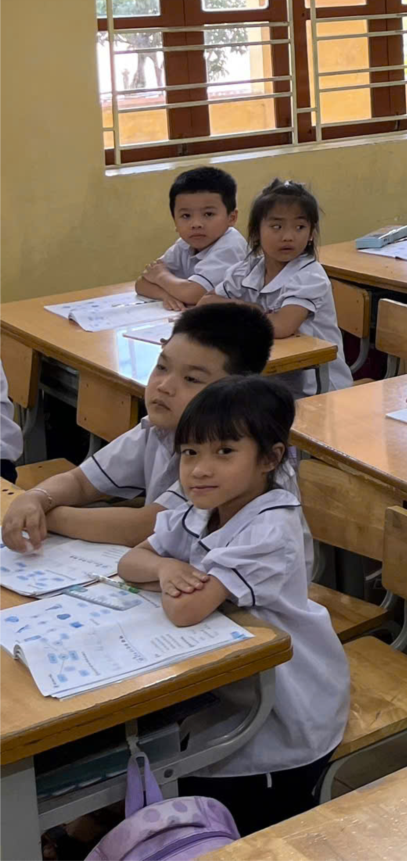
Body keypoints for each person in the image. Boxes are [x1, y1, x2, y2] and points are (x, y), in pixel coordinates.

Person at [117, 377, 348, 833]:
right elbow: (129, 562)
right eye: (190, 452)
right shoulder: (202, 508)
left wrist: (166, 574)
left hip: (286, 708)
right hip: (229, 684)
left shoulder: (269, 528)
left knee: (227, 818)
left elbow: (186, 610)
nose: (200, 469)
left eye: (225, 452)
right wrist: (166, 569)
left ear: (270, 458)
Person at [3, 303, 274, 550]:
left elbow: (142, 528)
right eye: (162, 367)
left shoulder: (231, 455)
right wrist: (35, 498)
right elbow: (81, 482)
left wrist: (44, 514)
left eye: (191, 379)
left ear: (238, 390)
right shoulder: (157, 430)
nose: (164, 386)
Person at [204, 179, 352, 396]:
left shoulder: (310, 276)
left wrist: (232, 310)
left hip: (318, 388)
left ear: (311, 234)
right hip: (270, 379)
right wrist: (248, 308)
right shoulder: (246, 269)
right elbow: (206, 304)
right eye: (276, 227)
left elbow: (282, 326)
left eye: (300, 227)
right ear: (257, 232)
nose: (288, 237)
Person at [136, 165, 248, 309]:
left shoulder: (231, 246)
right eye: (186, 216)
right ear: (175, 221)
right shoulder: (184, 244)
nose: (196, 224)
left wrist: (161, 276)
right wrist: (166, 295)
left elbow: (193, 294)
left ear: (231, 218)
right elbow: (142, 282)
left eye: (208, 214)